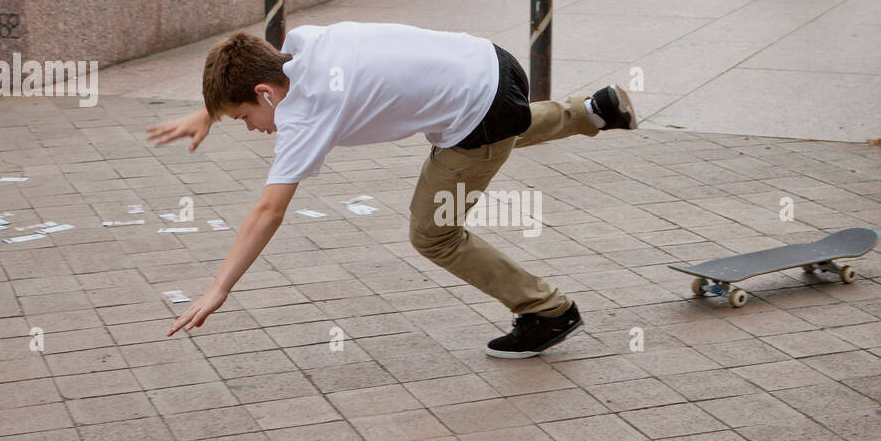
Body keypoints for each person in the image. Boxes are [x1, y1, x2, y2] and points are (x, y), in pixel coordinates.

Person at [147, 25, 639, 358]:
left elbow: (268, 211)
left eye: (245, 119)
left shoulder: (309, 110)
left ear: (264, 95)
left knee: (434, 235)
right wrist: (208, 110)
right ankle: (593, 109)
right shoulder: (302, 43)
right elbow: (251, 74)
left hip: (480, 112)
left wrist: (220, 288)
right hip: (491, 63)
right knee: (498, 124)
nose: (254, 129)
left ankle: (546, 311)